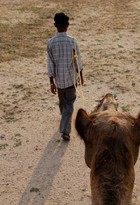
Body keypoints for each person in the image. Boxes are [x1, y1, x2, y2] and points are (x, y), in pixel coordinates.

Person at [47, 12, 83, 141]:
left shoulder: (50, 43)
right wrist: (81, 74)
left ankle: (65, 128)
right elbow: (77, 60)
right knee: (68, 104)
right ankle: (65, 124)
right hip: (71, 80)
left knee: (64, 103)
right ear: (67, 25)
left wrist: (51, 82)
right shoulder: (72, 41)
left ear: (55, 25)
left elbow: (50, 63)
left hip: (59, 81)